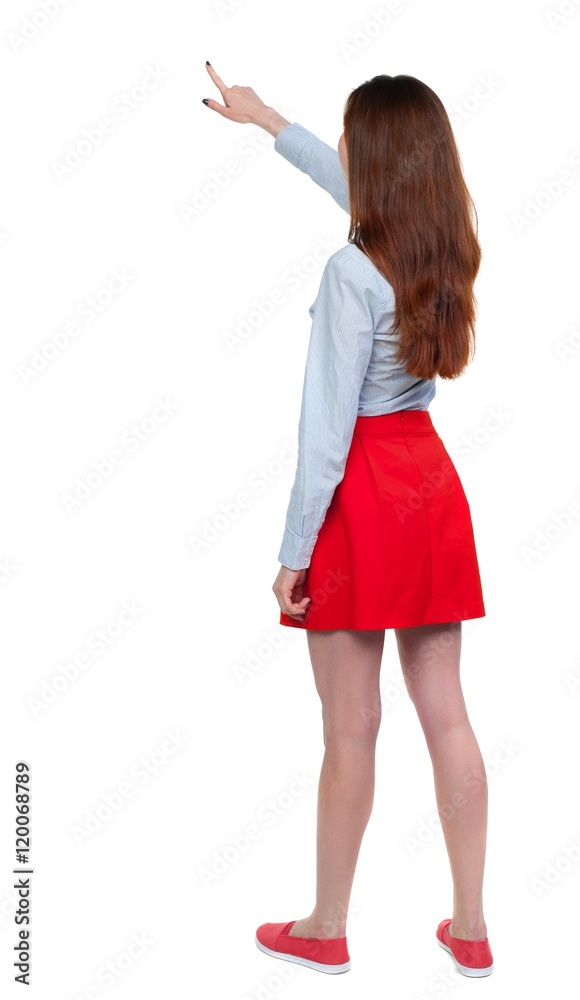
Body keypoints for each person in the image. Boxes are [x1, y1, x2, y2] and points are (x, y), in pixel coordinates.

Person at [202, 62, 494, 979]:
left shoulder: (349, 269)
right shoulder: (442, 242)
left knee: (351, 726)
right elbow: (354, 187)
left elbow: (324, 436)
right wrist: (267, 122)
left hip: (363, 494)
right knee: (445, 711)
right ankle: (473, 927)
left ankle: (326, 927)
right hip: (430, 485)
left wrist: (293, 553)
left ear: (373, 163)